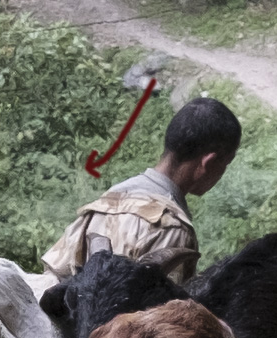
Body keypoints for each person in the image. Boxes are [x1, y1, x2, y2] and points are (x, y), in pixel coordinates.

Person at [41, 97, 241, 284]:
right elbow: (165, 309)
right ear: (208, 162)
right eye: (226, 164)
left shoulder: (110, 199)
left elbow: (52, 278)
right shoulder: (171, 228)